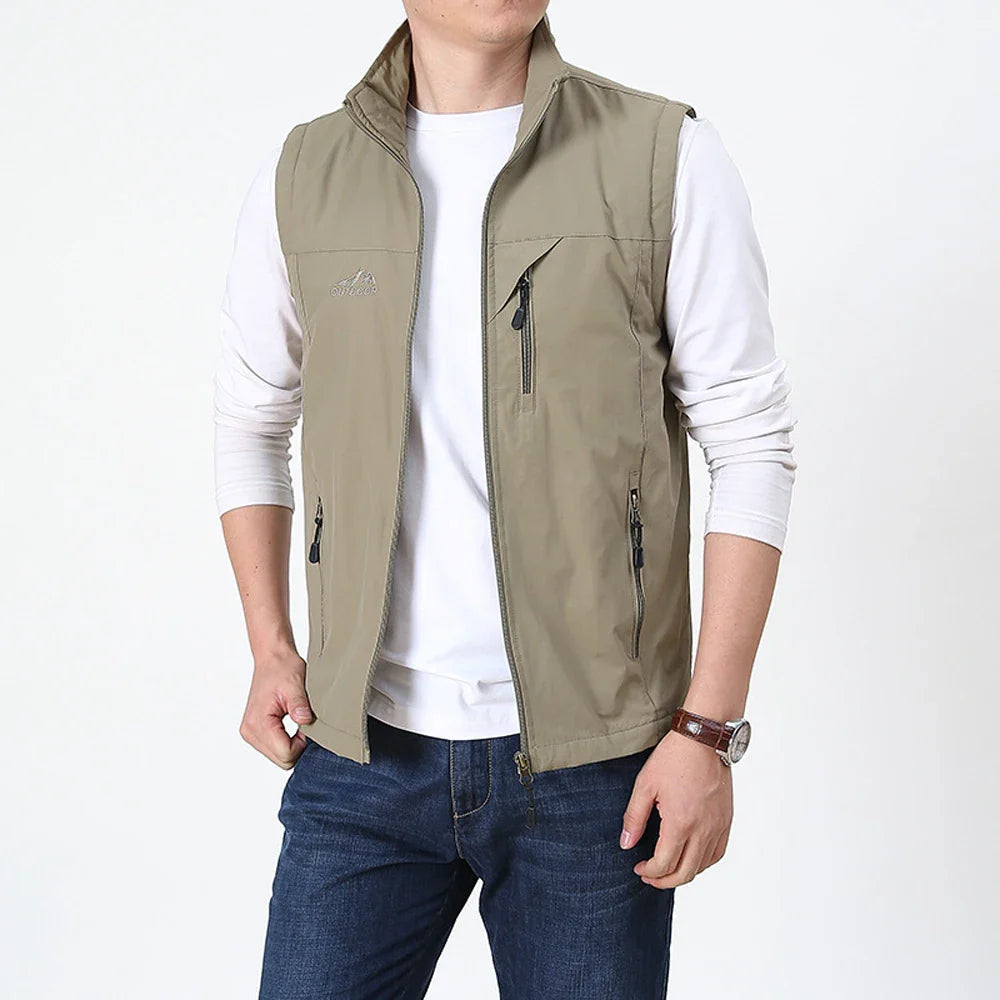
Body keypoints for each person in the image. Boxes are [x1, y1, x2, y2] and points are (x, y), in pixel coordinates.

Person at [214, 3, 796, 996]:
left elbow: (751, 443)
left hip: (597, 767)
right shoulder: (307, 174)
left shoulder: (662, 155)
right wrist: (272, 645)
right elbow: (251, 420)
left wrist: (707, 728)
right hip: (360, 756)